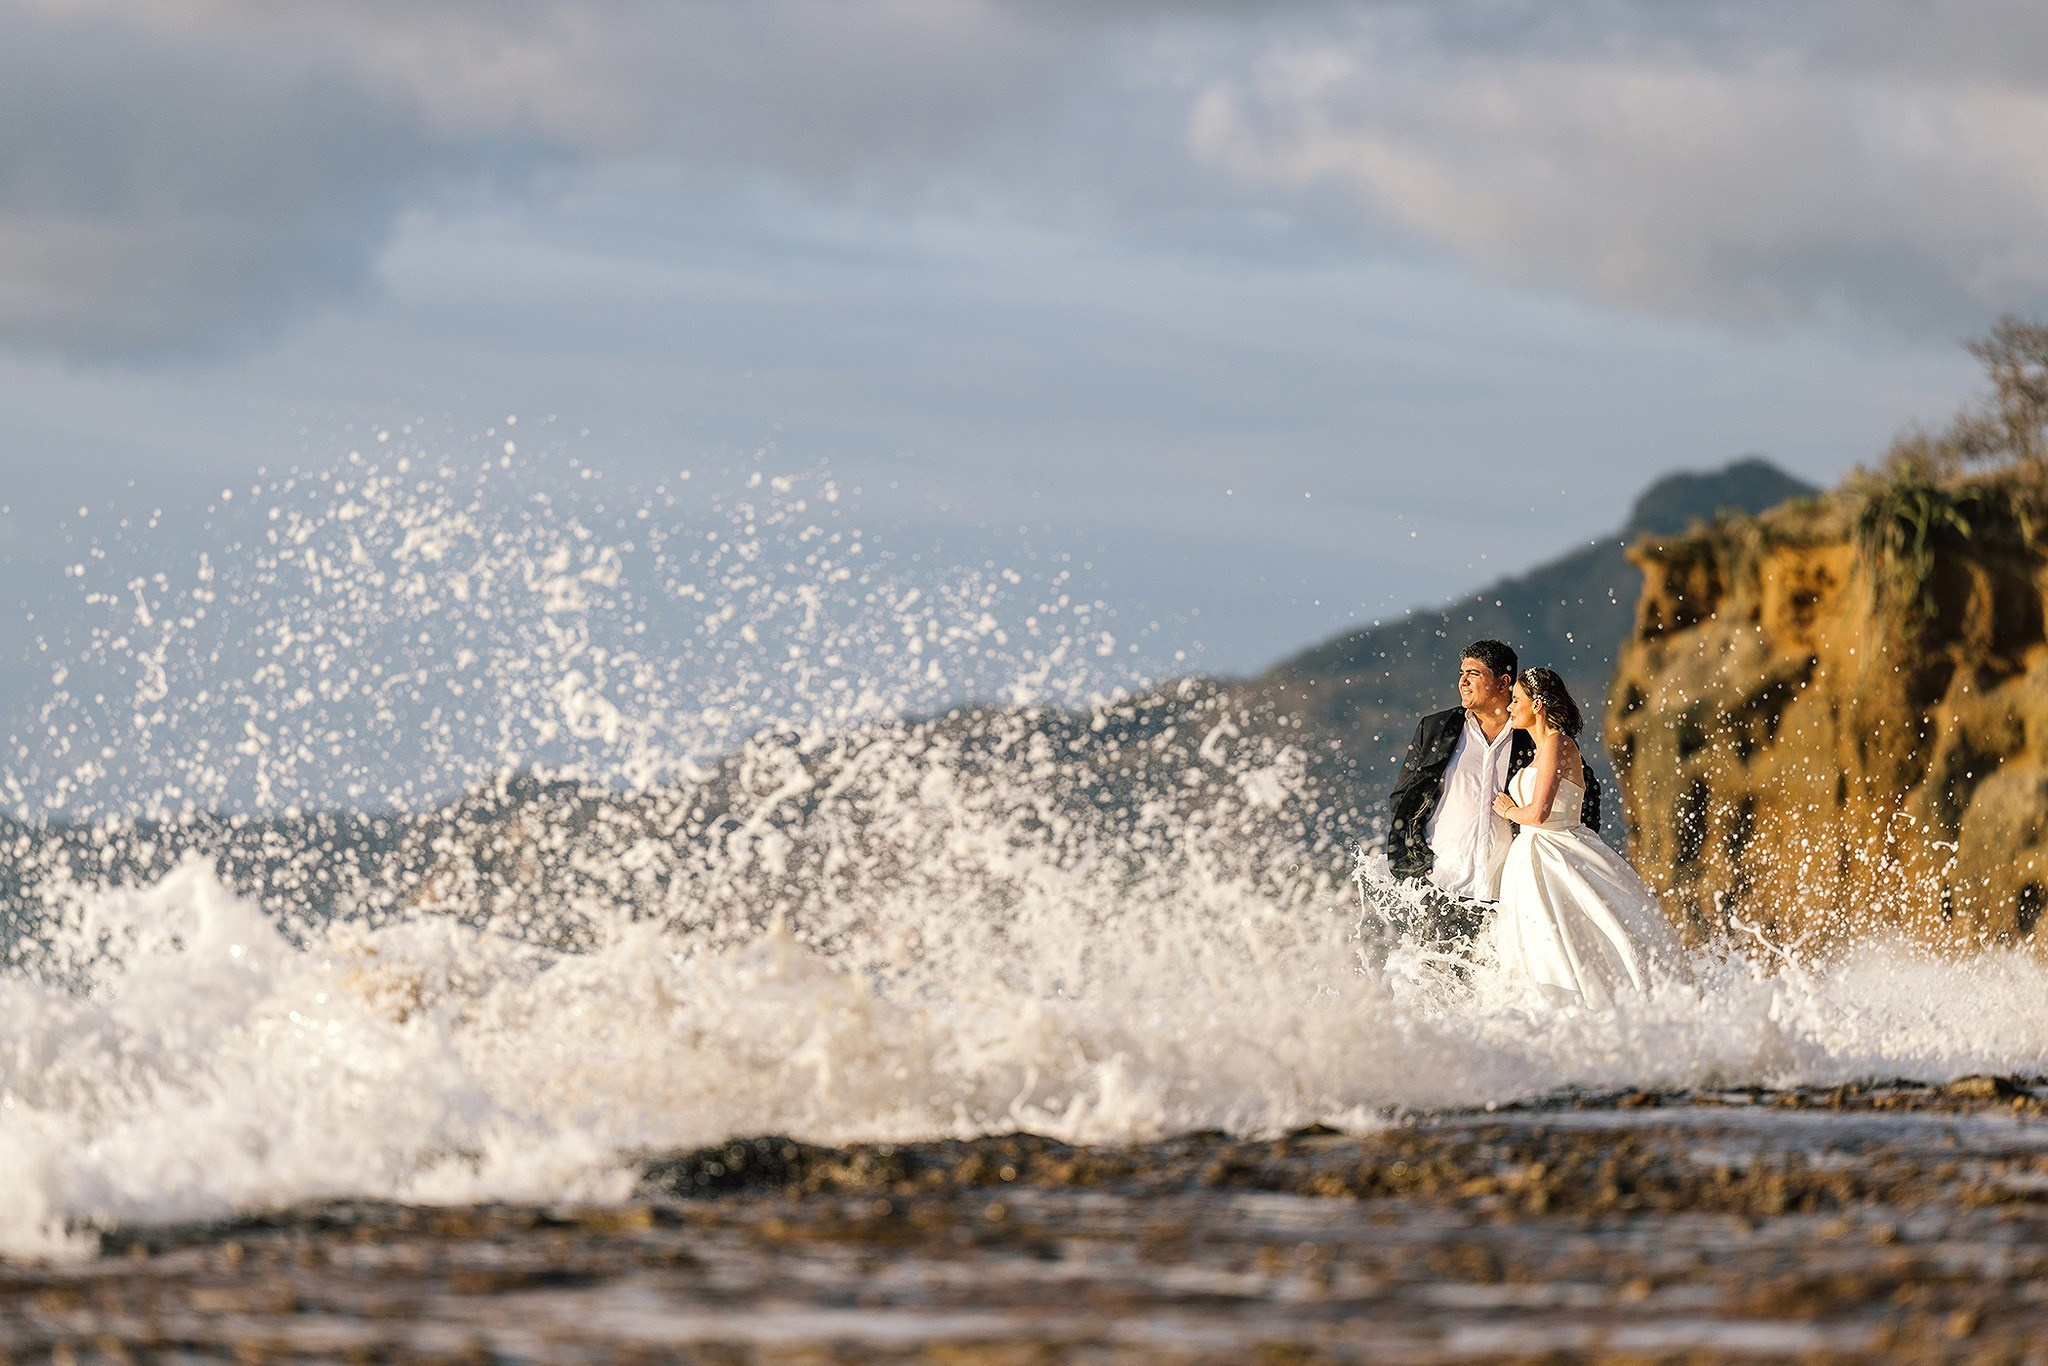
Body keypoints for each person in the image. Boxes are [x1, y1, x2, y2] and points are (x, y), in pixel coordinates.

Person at [1488, 667, 1688, 1007]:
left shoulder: (1557, 743)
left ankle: (1588, 1007)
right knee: (1544, 940)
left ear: (1537, 705)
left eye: (1516, 700)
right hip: (1532, 860)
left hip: (1558, 853)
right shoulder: (1541, 750)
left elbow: (1539, 813)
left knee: (1572, 934)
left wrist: (1508, 810)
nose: (1510, 707)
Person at [1384, 641, 1601, 944]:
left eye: (1473, 673)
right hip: (1442, 884)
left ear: (1503, 682)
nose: (1463, 681)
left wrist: (1565, 859)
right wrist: (1417, 862)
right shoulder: (1436, 728)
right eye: (1461, 673)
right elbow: (1404, 799)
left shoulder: (1535, 736)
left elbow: (1582, 798)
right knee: (1434, 972)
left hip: (1510, 893)